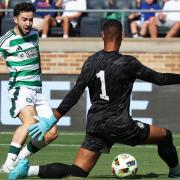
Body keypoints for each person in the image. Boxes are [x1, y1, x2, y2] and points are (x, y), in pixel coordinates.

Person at [8, 19, 180, 179]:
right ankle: (175, 172)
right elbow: (160, 79)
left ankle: (28, 170)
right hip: (121, 125)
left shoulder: (91, 61)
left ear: (102, 36)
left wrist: (52, 119)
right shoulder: (128, 63)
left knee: (76, 172)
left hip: (96, 126)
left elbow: (74, 94)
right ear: (122, 37)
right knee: (166, 135)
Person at [0, 2, 58, 174]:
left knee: (52, 132)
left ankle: (19, 158)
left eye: (30, 20)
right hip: (20, 88)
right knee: (30, 122)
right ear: (15, 19)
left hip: (37, 91)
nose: (28, 23)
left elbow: (37, 58)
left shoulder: (34, 35)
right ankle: (8, 164)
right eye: (24, 19)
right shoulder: (5, 41)